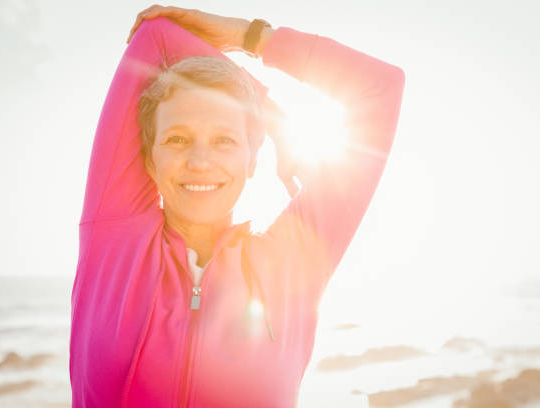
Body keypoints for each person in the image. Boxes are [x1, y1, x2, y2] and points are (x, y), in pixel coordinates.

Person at [69, 5, 404, 407]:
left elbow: (381, 88)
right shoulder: (114, 242)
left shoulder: (294, 262)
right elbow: (154, 36)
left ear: (251, 159)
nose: (200, 160)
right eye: (177, 138)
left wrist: (252, 37)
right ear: (149, 157)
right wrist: (271, 114)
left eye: (225, 140)